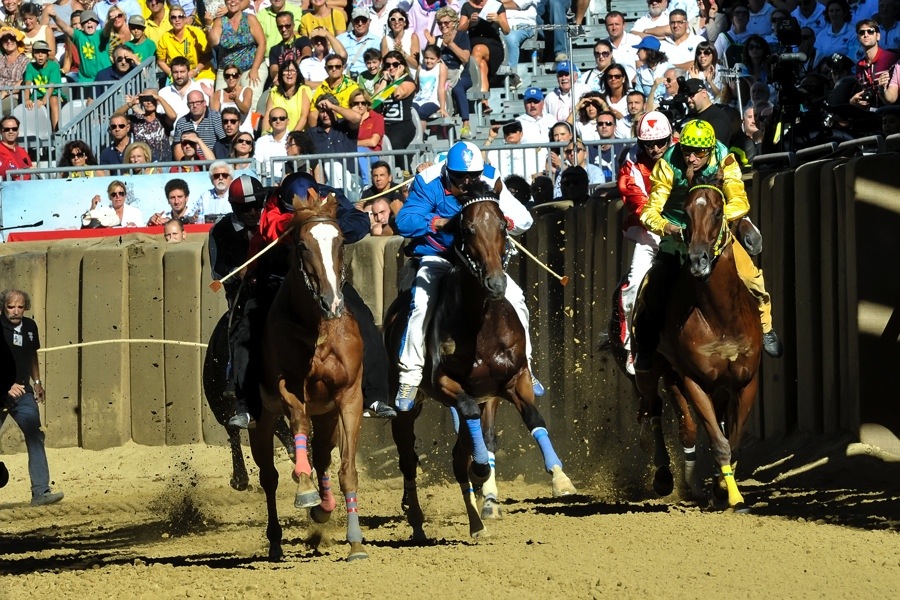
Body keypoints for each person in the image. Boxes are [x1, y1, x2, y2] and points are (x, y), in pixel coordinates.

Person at [227, 171, 396, 426]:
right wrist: (307, 223)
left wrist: (332, 226)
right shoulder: (271, 202)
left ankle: (375, 395)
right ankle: (247, 405)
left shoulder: (332, 196)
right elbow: (273, 225)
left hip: (324, 277)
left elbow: (358, 220)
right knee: (249, 323)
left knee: (363, 317)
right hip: (280, 277)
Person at [392, 140, 541, 409]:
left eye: (474, 176)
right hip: (439, 256)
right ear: (448, 171)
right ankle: (410, 377)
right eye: (462, 177)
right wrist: (433, 222)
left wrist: (503, 222)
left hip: (476, 261)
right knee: (421, 305)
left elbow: (524, 218)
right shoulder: (428, 180)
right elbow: (403, 221)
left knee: (517, 299)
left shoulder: (490, 176)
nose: (469, 182)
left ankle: (527, 367)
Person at [632, 119, 784, 372]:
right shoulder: (668, 164)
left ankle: (766, 328)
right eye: (686, 151)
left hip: (715, 229)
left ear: (711, 149)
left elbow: (738, 199)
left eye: (698, 153)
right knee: (655, 285)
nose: (691, 158)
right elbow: (649, 211)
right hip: (679, 230)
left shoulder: (725, 159)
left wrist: (717, 222)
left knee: (750, 276)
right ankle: (646, 347)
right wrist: (668, 228)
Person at [615, 111, 673, 373]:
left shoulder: (685, 153)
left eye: (661, 142)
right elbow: (634, 198)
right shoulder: (631, 162)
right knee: (634, 283)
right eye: (649, 144)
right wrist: (662, 225)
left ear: (670, 138)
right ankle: (631, 347)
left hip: (687, 229)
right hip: (650, 234)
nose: (656, 148)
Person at [1, 289, 64, 507]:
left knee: (35, 434)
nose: (15, 311)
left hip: (23, 394)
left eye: (20, 307)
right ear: (3, 307)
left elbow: (31, 355)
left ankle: (41, 492)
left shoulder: (29, 327)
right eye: (11, 307)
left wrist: (37, 383)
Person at [208, 0, 266, 109]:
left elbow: (262, 43)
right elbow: (214, 42)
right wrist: (208, 25)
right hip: (227, 69)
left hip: (251, 66)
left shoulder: (250, 19)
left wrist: (254, 69)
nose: (232, 1)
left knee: (251, 103)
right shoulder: (220, 21)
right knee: (220, 102)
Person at [459, 0, 509, 115]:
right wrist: (469, 22)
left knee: (478, 50)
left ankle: (470, 85)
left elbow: (507, 30)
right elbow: (460, 31)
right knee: (481, 65)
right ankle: (484, 102)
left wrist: (498, 20)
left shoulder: (496, 5)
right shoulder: (467, 6)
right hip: (473, 43)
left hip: (493, 46)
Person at [45, 7, 111, 83]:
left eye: (92, 20)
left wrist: (112, 20)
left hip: (105, 79)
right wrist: (55, 17)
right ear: (82, 25)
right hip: (86, 81)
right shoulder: (79, 36)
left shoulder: (100, 34)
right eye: (86, 21)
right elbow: (65, 27)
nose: (89, 22)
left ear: (97, 24)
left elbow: (107, 29)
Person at [115, 88, 176, 162]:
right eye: (146, 99)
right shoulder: (136, 119)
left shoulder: (162, 119)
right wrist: (131, 104)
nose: (149, 102)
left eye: (152, 99)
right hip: (143, 166)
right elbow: (116, 117)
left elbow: (173, 116)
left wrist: (160, 99)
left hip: (163, 165)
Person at [155, 6, 213, 83]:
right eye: (173, 17)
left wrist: (195, 71)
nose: (177, 20)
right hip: (177, 76)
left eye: (180, 16)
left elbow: (208, 54)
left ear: (185, 19)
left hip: (200, 75)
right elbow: (161, 61)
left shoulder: (195, 32)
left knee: (196, 94)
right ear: (170, 20)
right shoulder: (165, 37)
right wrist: (172, 74)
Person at [172, 91, 225, 160]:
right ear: (187, 105)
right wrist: (185, 167)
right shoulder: (181, 122)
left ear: (204, 103)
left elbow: (223, 143)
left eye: (198, 102)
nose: (195, 106)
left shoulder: (215, 118)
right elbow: (178, 147)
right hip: (189, 165)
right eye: (191, 103)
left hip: (212, 162)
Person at [23, 40, 62, 130]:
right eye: (37, 52)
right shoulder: (30, 66)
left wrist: (44, 101)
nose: (40, 55)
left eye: (43, 52)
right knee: (28, 105)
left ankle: (56, 131)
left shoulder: (54, 66)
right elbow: (28, 83)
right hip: (37, 97)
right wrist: (27, 99)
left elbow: (52, 85)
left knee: (53, 100)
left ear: (47, 55)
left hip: (53, 95)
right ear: (33, 54)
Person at [263, 59, 310, 132]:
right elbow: (267, 116)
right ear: (281, 74)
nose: (289, 74)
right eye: (286, 71)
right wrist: (264, 134)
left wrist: (291, 137)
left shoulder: (303, 90)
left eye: (292, 71)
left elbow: (304, 116)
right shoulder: (274, 91)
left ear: (297, 73)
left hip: (296, 136)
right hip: (274, 135)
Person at [682, 78, 732, 144]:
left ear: (704, 93)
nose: (688, 99)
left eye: (691, 95)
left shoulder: (718, 118)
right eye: (686, 96)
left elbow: (715, 147)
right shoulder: (689, 116)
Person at [350, 88, 383, 185]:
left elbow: (373, 142)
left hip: (372, 154)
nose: (360, 106)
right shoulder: (349, 121)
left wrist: (353, 144)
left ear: (367, 103)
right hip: (352, 153)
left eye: (363, 103)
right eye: (356, 103)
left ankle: (366, 184)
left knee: (359, 150)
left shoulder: (377, 118)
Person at [339, 7, 382, 78]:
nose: (360, 23)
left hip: (368, 78)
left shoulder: (377, 41)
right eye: (356, 20)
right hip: (345, 78)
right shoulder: (340, 39)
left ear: (369, 22)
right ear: (352, 22)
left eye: (364, 20)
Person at [380, 7, 419, 76]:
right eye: (393, 19)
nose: (396, 22)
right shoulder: (386, 39)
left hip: (410, 76)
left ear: (405, 23)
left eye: (400, 19)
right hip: (392, 77)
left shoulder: (412, 37)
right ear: (389, 23)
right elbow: (384, 64)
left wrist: (402, 53)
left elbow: (416, 64)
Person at [634, 36, 674, 103]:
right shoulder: (640, 72)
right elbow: (639, 95)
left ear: (647, 51)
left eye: (639, 50)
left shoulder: (669, 68)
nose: (637, 53)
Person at [0, 115, 31, 179]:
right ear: (1, 131)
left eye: (14, 129)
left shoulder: (22, 151)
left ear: (18, 131)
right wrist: (27, 171)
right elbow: (5, 174)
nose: (11, 132)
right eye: (7, 129)